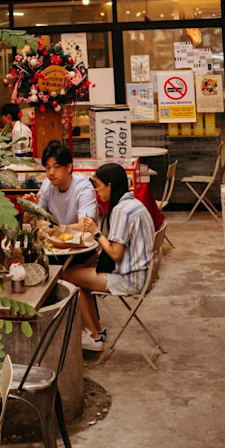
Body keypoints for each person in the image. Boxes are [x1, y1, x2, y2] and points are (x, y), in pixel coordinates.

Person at [65, 162, 155, 352]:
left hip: (130, 279)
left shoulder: (121, 211)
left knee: (68, 276)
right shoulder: (135, 204)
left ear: (110, 185)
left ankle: (93, 335)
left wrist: (97, 233)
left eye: (98, 186)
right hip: (143, 274)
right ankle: (96, 331)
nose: (97, 191)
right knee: (81, 276)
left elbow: (115, 253)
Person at [32, 143, 97, 230]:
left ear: (69, 167)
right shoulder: (47, 185)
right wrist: (30, 207)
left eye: (57, 167)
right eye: (48, 168)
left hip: (82, 241)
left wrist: (53, 227)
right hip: (57, 240)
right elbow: (32, 221)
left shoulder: (84, 188)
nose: (51, 172)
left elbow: (84, 227)